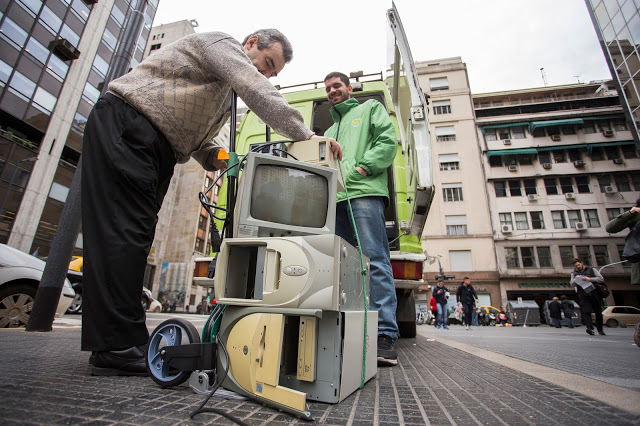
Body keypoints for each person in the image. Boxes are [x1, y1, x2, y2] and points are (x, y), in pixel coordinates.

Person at [82, 29, 342, 377]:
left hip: (157, 146)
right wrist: (306, 135)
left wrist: (217, 157)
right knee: (124, 232)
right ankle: (118, 344)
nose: (265, 74)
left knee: (135, 235)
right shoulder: (220, 45)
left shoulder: (221, 93)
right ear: (250, 42)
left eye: (272, 73)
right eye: (267, 64)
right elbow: (253, 87)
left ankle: (116, 343)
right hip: (130, 123)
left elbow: (200, 140)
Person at [323, 71, 399, 366]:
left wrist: (362, 168)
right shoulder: (329, 130)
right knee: (346, 270)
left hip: (364, 194)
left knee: (374, 261)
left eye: (337, 85)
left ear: (349, 88)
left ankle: (384, 335)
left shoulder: (369, 109)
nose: (332, 91)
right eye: (328, 88)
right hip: (336, 201)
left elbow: (387, 141)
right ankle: (353, 334)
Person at [571, 257, 605, 336]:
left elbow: (601, 279)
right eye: (576, 266)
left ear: (582, 263)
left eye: (578, 265)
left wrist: (589, 279)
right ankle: (589, 328)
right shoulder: (574, 273)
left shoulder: (591, 270)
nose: (578, 267)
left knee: (598, 312)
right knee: (587, 311)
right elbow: (572, 284)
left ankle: (600, 329)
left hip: (595, 293)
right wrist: (575, 280)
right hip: (584, 294)